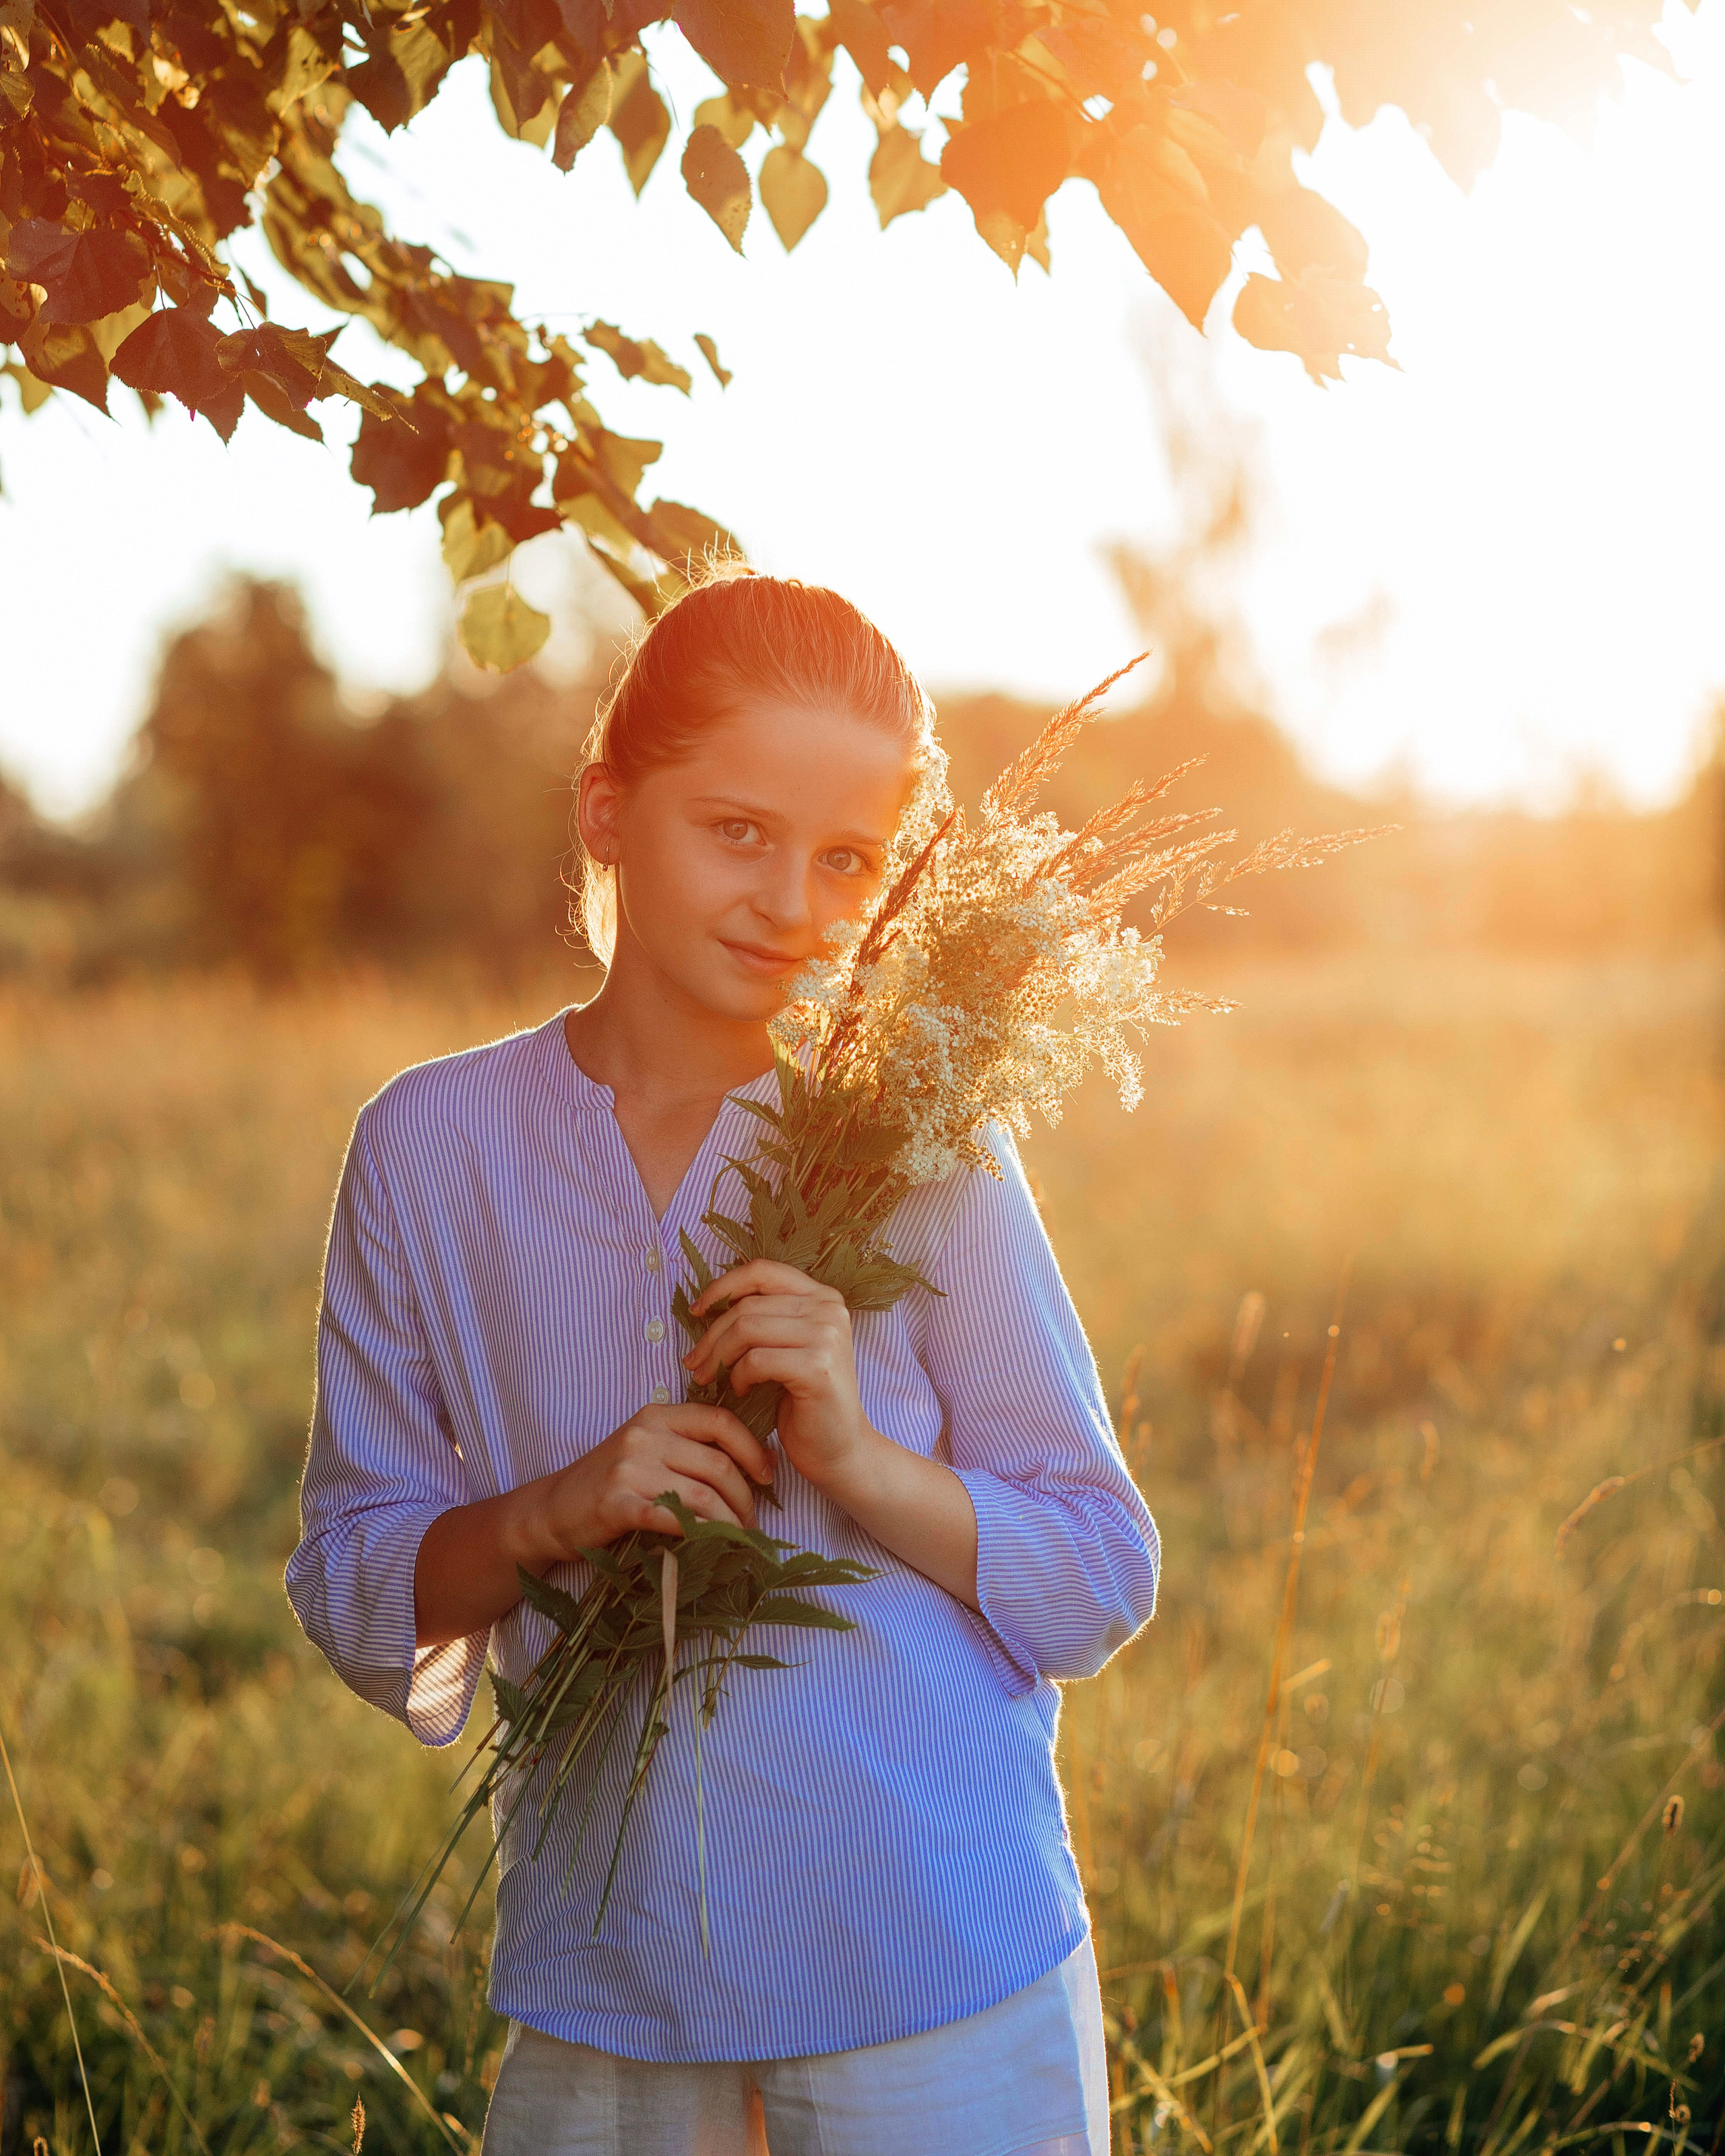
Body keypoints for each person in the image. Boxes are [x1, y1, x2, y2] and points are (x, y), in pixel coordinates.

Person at [285, 565, 1160, 2156]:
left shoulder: (917, 1138)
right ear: (607, 809)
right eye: (736, 831)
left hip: (934, 1964)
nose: (791, 903)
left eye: (847, 859)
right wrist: (553, 1509)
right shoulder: (429, 1148)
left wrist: (856, 1455)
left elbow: (1100, 1567)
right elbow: (354, 1575)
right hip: (609, 1979)